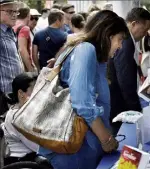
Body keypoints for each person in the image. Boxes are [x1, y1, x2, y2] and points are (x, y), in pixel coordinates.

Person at [38, 10, 129, 169]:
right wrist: (106, 140)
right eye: (119, 39)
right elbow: (82, 102)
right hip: (74, 149)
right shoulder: (85, 50)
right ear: (107, 35)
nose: (120, 46)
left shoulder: (93, 55)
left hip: (82, 145)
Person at [107, 7, 150, 135]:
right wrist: (136, 110)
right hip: (119, 105)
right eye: (145, 28)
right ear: (134, 24)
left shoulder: (128, 41)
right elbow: (125, 80)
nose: (146, 33)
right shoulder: (126, 42)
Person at [2, 72, 38, 165]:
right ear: (21, 93)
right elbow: (36, 147)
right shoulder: (17, 117)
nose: (39, 93)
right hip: (22, 161)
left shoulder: (23, 109)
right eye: (35, 90)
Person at [0, 0, 24, 94]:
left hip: (13, 91)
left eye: (15, 11)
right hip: (3, 94)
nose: (14, 15)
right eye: (10, 11)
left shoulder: (10, 31)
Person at [13, 5, 34, 72]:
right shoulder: (24, 28)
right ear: (28, 15)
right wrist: (30, 69)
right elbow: (22, 49)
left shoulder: (13, 24)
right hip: (22, 65)